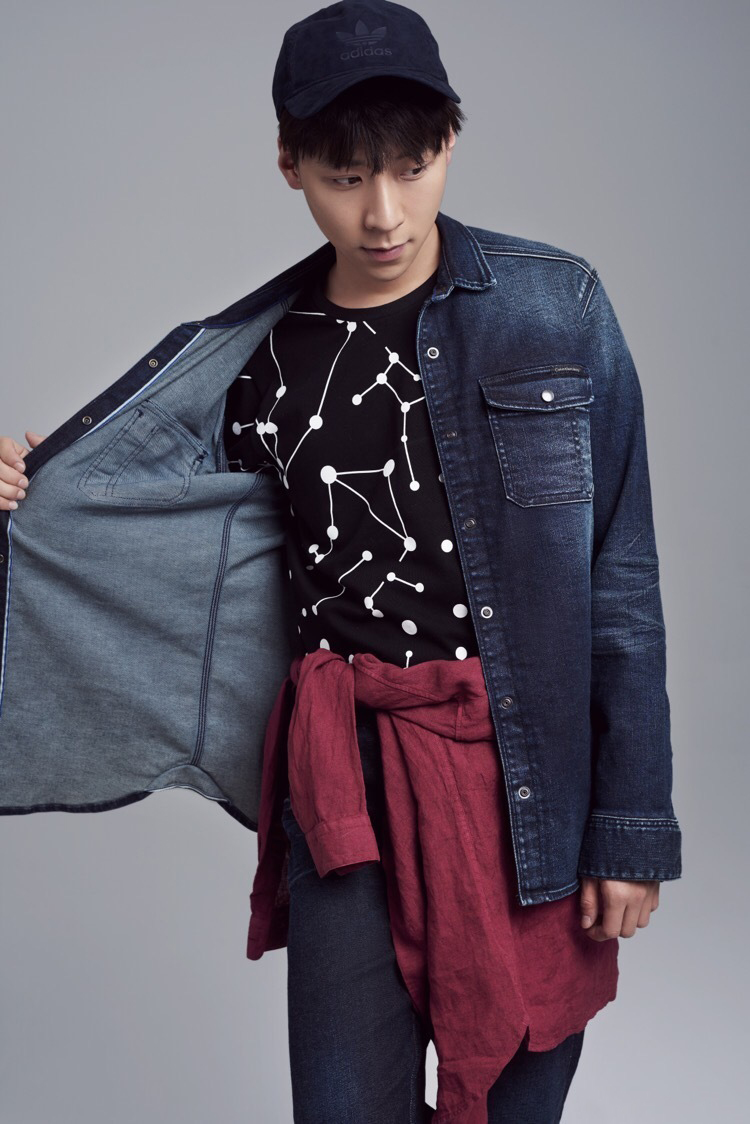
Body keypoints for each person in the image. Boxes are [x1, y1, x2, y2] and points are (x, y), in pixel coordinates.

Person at [0, 2, 682, 1121]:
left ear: (450, 142)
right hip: (345, 790)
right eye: (345, 177)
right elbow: (120, 526)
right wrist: (25, 487)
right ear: (289, 163)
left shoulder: (556, 309)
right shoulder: (259, 363)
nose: (383, 214)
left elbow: (623, 582)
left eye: (413, 170)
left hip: (532, 790)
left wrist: (632, 825)